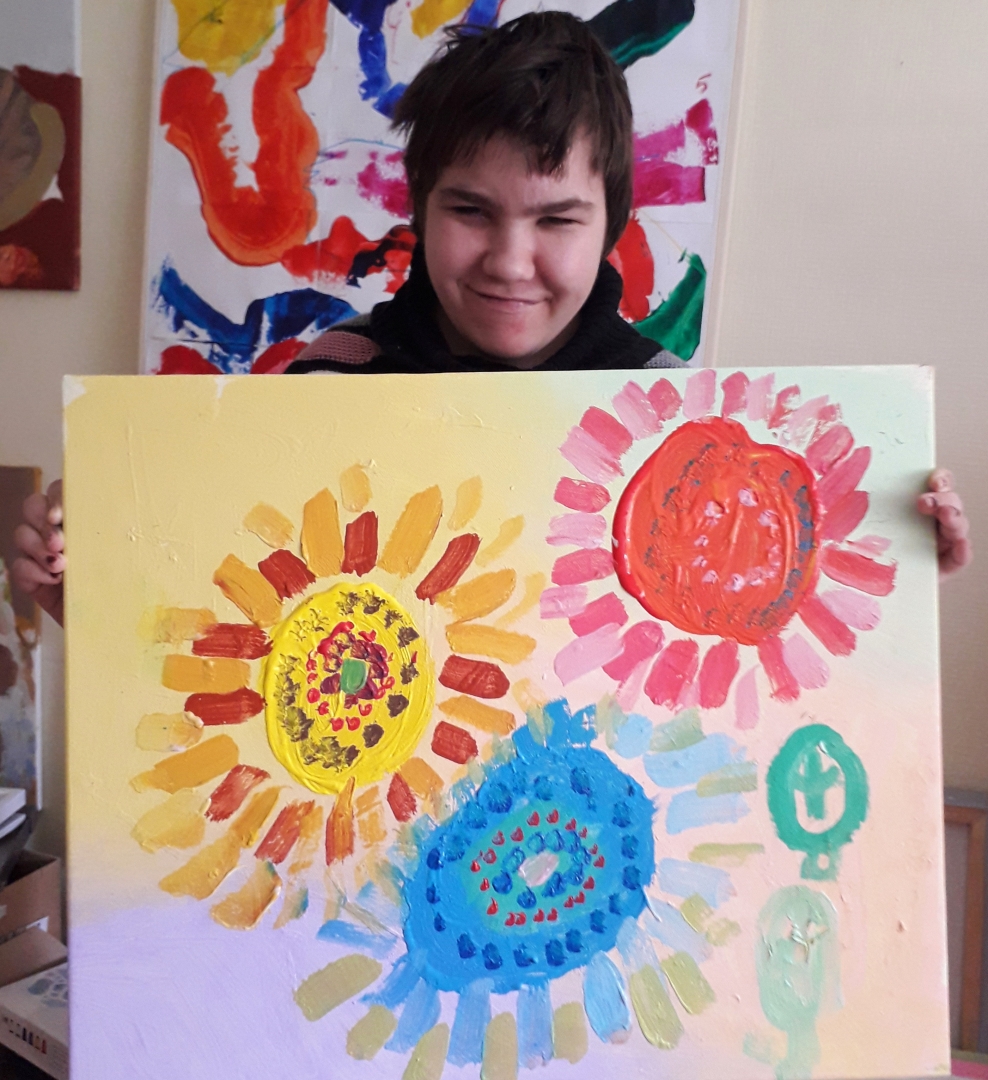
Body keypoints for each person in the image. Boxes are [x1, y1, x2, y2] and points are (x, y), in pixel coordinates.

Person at [11, 12, 972, 622]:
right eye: (471, 211)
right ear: (419, 208)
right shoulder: (330, 380)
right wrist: (75, 592)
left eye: (556, 219)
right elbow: (225, 616)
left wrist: (892, 567)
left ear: (611, 226)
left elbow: (755, 634)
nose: (511, 261)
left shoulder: (673, 418)